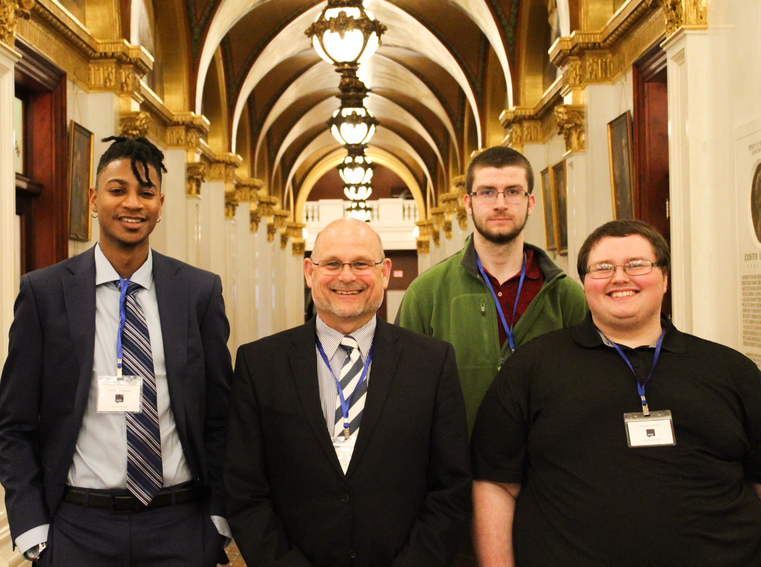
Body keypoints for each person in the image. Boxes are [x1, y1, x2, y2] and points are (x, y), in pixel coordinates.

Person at [0, 136, 232, 566]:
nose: (132, 204)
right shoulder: (44, 294)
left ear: (161, 202)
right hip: (78, 531)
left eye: (145, 193)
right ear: (93, 198)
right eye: (118, 190)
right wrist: (34, 536)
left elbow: (221, 417)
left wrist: (215, 521)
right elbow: (14, 426)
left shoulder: (198, 293)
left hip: (178, 526)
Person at [471, 219, 761, 566]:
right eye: (602, 268)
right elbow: (495, 486)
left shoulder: (731, 370)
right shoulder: (532, 368)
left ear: (665, 278)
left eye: (637, 265)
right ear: (584, 283)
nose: (619, 277)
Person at [224, 217, 472, 567]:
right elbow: (244, 489)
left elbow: (451, 488)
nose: (346, 276)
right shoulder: (260, 364)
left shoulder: (432, 362)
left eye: (360, 264)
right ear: (310, 272)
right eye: (333, 264)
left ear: (384, 272)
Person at [397, 146, 586, 431]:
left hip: (546, 465)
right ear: (468, 203)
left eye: (512, 191)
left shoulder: (565, 295)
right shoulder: (426, 293)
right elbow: (404, 392)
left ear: (530, 203)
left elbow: (585, 389)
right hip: (458, 467)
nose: (500, 203)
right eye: (486, 192)